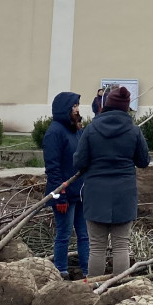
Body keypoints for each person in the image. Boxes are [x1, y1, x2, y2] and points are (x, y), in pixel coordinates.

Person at [73, 86, 150, 278]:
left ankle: (94, 289)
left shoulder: (91, 129)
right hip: (124, 194)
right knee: (121, 245)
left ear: (106, 106)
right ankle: (119, 291)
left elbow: (79, 162)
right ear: (126, 108)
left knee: (97, 247)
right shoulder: (134, 131)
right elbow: (143, 161)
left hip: (95, 194)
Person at [43, 91, 89, 278]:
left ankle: (88, 271)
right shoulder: (54, 133)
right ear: (65, 109)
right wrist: (59, 195)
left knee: (84, 234)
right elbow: (52, 168)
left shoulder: (76, 130)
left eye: (78, 105)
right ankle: (61, 271)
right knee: (64, 234)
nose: (78, 109)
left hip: (80, 192)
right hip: (63, 194)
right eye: (74, 106)